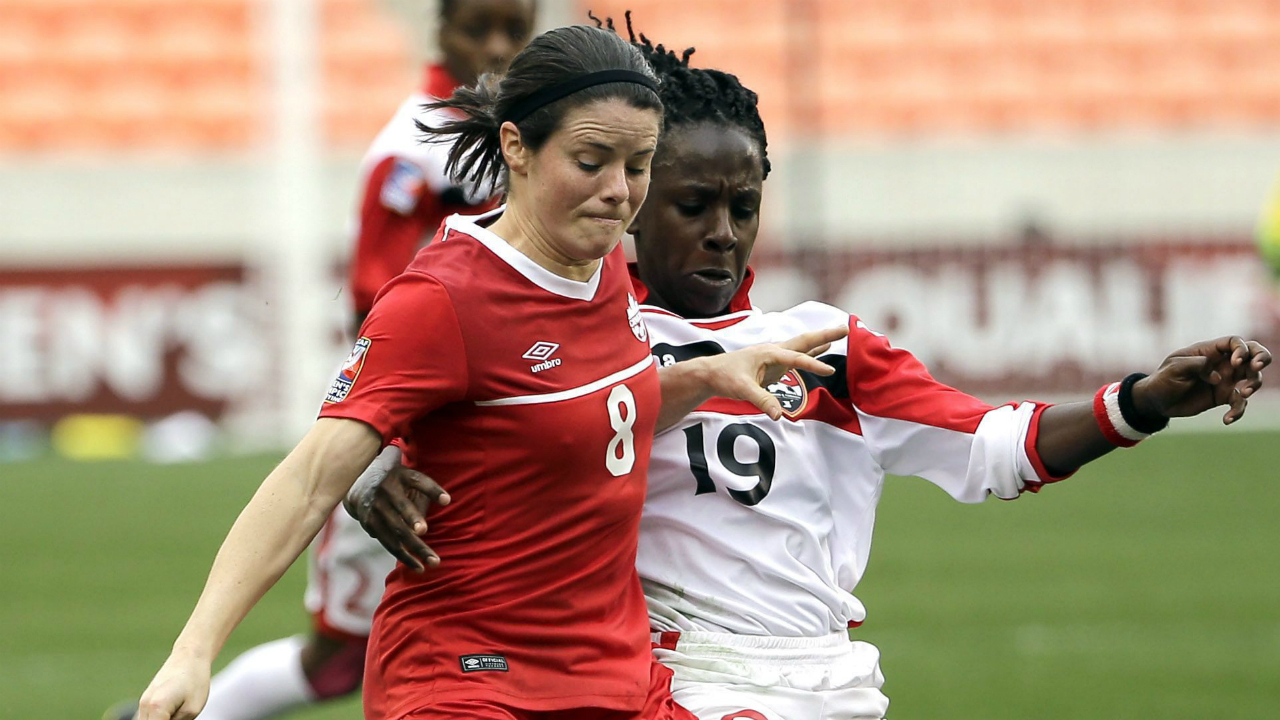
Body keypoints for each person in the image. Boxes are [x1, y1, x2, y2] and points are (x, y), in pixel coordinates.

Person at [351, 20, 1272, 720]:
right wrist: (376, 474)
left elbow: (1000, 447)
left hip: (832, 679)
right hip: (678, 674)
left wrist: (1146, 401)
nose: (722, 229)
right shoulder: (583, 329)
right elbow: (403, 411)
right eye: (692, 203)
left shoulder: (824, 343)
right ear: (631, 198)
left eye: (742, 204)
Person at [134, 23, 845, 720]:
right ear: (517, 147)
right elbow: (310, 475)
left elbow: (598, 410)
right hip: (471, 682)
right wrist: (193, 652)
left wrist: (712, 375)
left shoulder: (602, 270)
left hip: (615, 680)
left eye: (638, 165)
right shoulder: (445, 298)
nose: (619, 192)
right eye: (591, 161)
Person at [103, 5, 537, 720]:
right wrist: (385, 447)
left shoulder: (535, 138)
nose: (494, 48)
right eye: (476, 28)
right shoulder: (416, 145)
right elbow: (382, 301)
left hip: (508, 428)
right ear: (439, 32)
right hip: (418, 434)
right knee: (340, 660)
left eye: (512, 31)